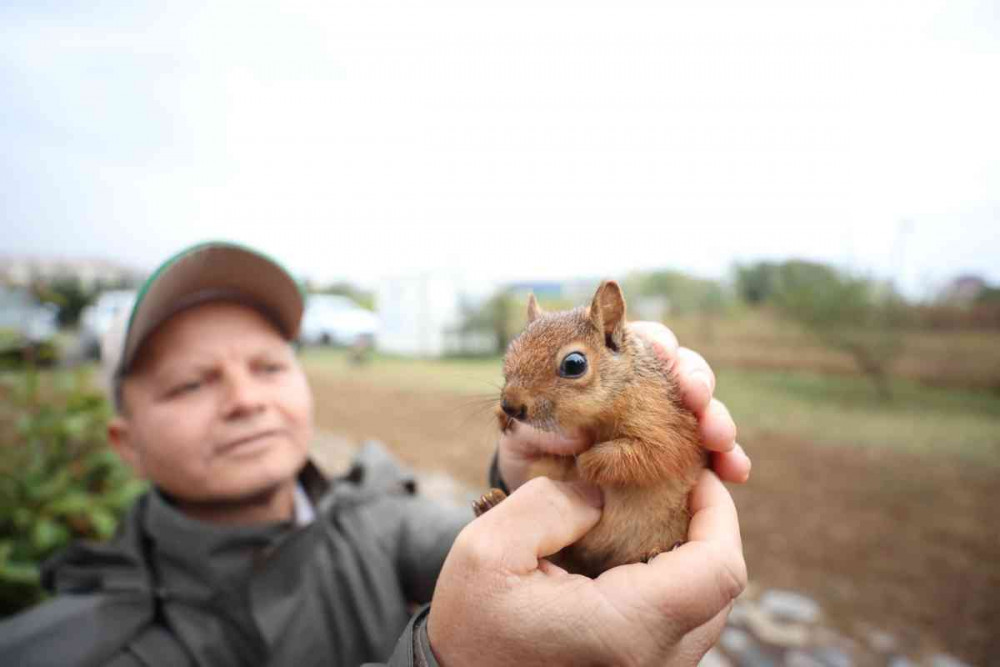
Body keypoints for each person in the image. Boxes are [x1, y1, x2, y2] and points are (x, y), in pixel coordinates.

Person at [0, 241, 750, 665]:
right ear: (123, 443)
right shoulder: (71, 646)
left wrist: (528, 467)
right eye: (193, 382)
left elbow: (474, 550)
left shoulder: (375, 518)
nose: (244, 398)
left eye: (268, 365)